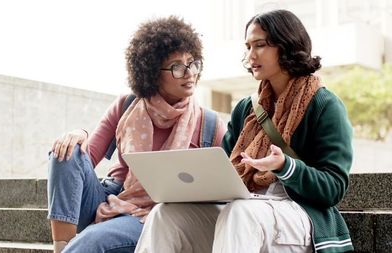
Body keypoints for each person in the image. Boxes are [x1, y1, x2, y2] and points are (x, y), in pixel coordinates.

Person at [135, 9, 354, 253]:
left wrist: (284, 166)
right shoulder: (246, 108)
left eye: (259, 45)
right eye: (248, 46)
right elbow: (227, 170)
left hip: (300, 215)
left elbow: (333, 187)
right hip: (245, 209)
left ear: (287, 45)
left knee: (240, 213)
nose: (251, 55)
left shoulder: (324, 105)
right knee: (165, 215)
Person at [47, 16, 226, 253]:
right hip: (114, 195)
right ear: (151, 72)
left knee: (93, 242)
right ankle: (62, 247)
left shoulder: (210, 124)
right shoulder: (127, 106)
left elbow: (228, 185)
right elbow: (84, 159)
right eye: (177, 66)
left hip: (160, 215)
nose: (189, 73)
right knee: (65, 151)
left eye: (193, 63)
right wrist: (78, 134)